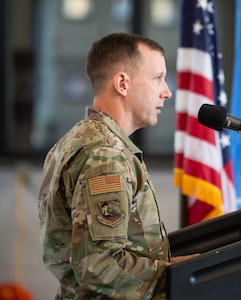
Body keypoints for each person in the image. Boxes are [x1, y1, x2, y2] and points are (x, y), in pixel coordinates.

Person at [38, 32, 196, 300]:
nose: (167, 91)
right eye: (157, 77)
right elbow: (99, 265)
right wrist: (176, 276)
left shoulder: (76, 140)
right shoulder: (105, 155)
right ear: (122, 83)